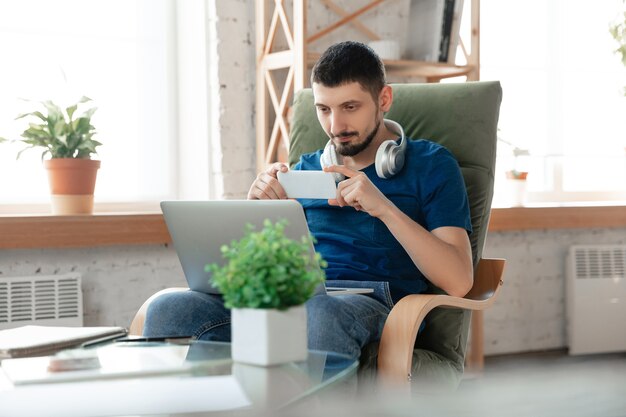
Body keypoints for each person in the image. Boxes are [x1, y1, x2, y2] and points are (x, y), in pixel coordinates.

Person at [144, 41, 473, 361]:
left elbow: (458, 280)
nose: (335, 126)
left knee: (317, 313)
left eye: (350, 107)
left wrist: (385, 209)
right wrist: (257, 213)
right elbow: (267, 266)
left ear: (383, 98)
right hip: (294, 296)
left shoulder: (432, 165)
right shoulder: (302, 170)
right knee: (169, 308)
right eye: (324, 109)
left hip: (376, 302)